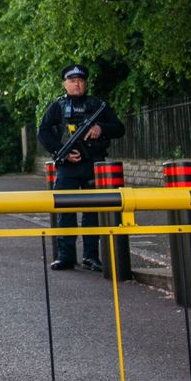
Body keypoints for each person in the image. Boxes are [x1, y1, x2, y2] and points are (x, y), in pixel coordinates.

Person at [37, 64, 125, 272]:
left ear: (85, 83)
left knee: (92, 211)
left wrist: (100, 128)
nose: (77, 84)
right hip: (67, 166)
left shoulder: (97, 106)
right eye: (72, 81)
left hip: (92, 164)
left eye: (80, 80)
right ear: (65, 84)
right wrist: (62, 151)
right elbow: (43, 132)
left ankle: (91, 256)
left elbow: (119, 129)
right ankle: (66, 257)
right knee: (65, 211)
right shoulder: (57, 106)